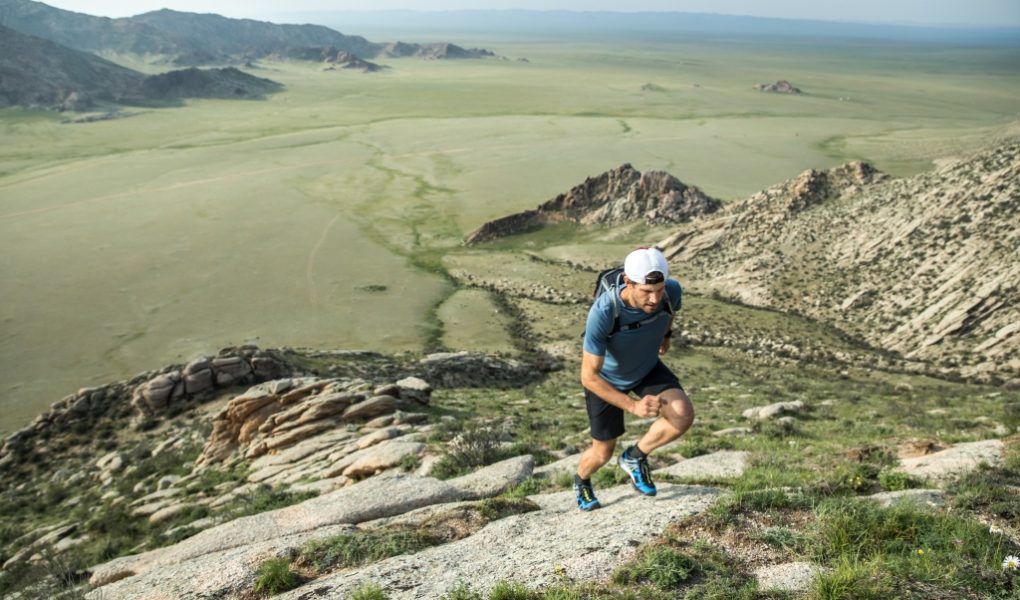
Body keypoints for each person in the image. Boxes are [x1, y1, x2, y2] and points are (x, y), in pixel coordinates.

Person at [574, 246, 694, 510]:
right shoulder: (605, 311)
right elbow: (589, 377)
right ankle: (581, 480)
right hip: (607, 381)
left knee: (682, 415)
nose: (654, 299)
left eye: (659, 289)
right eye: (647, 291)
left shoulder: (671, 291)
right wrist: (632, 406)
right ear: (628, 281)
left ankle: (635, 457)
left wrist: (666, 336)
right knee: (602, 452)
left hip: (646, 368)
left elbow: (670, 311)